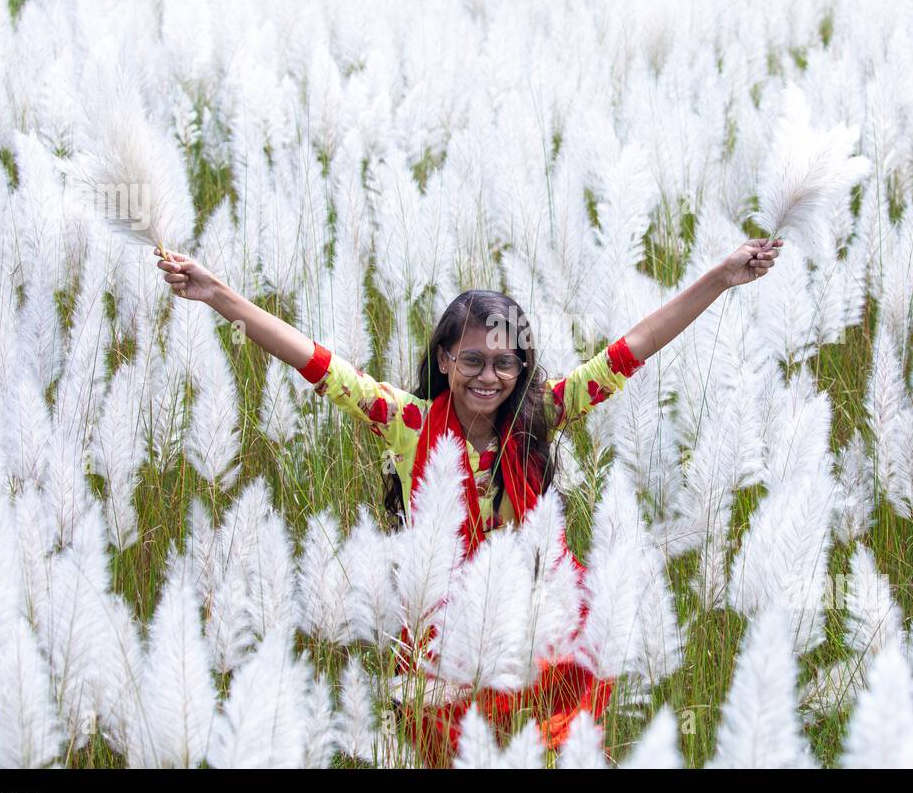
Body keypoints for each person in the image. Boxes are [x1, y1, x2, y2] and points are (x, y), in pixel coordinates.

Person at [155, 235, 782, 766]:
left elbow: (636, 343)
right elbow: (314, 360)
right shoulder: (404, 421)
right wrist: (215, 294)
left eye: (505, 363)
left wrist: (721, 278)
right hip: (443, 641)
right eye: (473, 360)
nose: (489, 377)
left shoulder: (545, 415)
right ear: (445, 358)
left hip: (541, 628)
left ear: (522, 366)